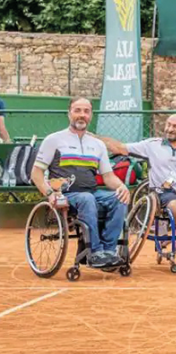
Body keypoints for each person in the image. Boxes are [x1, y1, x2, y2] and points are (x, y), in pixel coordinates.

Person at [29, 97, 130, 268]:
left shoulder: (98, 145)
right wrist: (50, 194)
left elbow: (108, 176)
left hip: (91, 192)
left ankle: (109, 251)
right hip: (66, 194)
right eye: (77, 110)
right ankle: (95, 252)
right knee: (86, 198)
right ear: (69, 114)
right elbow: (36, 173)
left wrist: (122, 187)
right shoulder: (54, 140)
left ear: (91, 115)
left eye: (86, 111)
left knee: (119, 198)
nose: (81, 115)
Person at [101, 114, 176, 250]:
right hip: (162, 192)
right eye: (168, 124)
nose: (170, 129)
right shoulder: (152, 145)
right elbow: (119, 148)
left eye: (175, 126)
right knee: (175, 206)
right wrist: (92, 137)